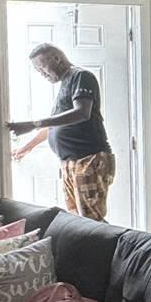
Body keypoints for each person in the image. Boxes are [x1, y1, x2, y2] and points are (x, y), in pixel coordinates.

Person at [8, 43, 116, 221]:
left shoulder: (81, 76)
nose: (41, 74)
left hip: (89, 159)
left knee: (91, 220)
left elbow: (82, 112)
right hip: (70, 162)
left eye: (42, 67)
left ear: (56, 58)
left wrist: (34, 123)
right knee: (77, 220)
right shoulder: (65, 84)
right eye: (37, 71)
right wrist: (26, 148)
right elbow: (54, 126)